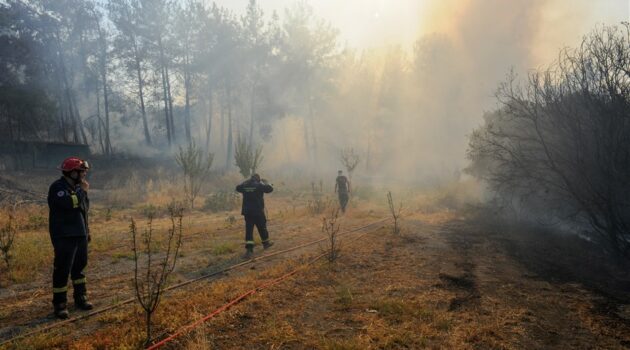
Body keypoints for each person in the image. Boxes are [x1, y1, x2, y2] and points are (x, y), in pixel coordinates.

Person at [47, 157, 93, 319]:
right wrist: (82, 191)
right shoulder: (58, 187)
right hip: (64, 235)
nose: (84, 174)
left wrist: (87, 231)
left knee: (79, 267)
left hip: (80, 234)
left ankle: (81, 297)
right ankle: (59, 304)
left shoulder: (78, 188)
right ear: (72, 173)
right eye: (82, 171)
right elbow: (69, 203)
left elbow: (83, 210)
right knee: (62, 270)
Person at [235, 173, 274, 258]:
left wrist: (244, 182)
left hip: (248, 213)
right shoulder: (259, 185)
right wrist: (267, 183)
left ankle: (249, 250)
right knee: (262, 228)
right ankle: (266, 243)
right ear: (258, 179)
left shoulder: (245, 185)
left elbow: (237, 188)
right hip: (258, 212)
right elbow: (269, 189)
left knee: (249, 231)